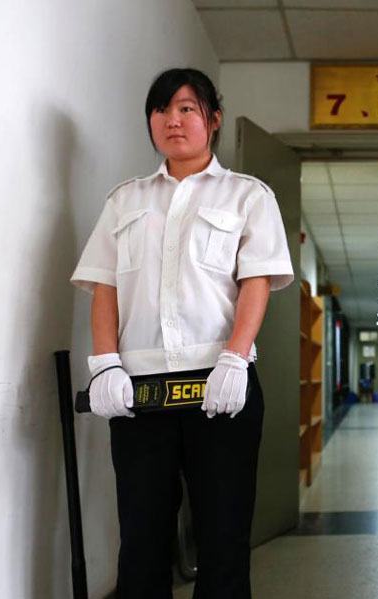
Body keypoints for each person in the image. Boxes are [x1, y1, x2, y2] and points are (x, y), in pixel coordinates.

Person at [70, 68, 293, 598]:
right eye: (162, 109)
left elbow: (254, 283)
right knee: (142, 538)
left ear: (213, 120)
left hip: (220, 383)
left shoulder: (248, 196)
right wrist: (105, 363)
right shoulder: (125, 201)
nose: (173, 119)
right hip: (140, 391)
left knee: (223, 536)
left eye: (188, 108)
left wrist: (236, 358)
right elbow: (105, 287)